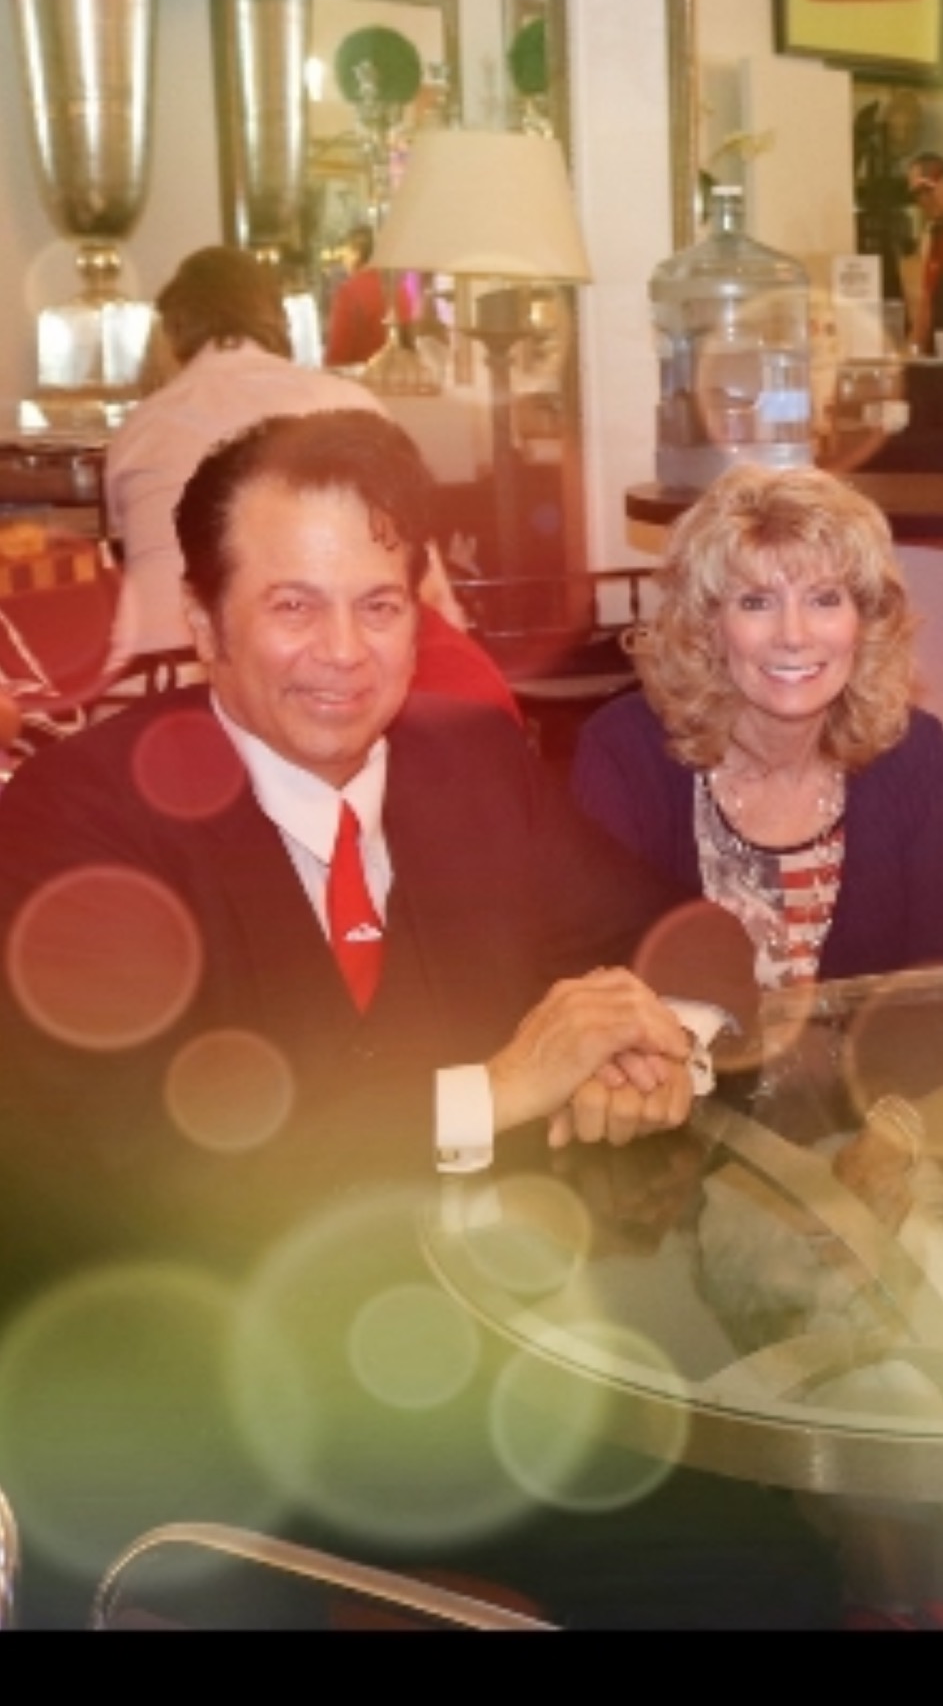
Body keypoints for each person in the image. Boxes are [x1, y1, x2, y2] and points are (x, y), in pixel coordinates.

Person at [0, 411, 841, 1630]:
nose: (343, 652)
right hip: (183, 1388)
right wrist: (497, 1088)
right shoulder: (76, 817)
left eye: (379, 605)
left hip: (450, 1363)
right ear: (203, 620)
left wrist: (658, 1038)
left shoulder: (468, 762)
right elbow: (151, 1157)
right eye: (293, 605)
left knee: (761, 1567)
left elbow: (685, 936)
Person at [101, 243, 519, 722]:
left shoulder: (140, 426)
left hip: (140, 691)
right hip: (263, 688)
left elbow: (128, 553)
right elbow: (428, 591)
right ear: (276, 318)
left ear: (173, 329)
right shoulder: (344, 401)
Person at [572, 463, 943, 993]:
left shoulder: (919, 756)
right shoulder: (625, 756)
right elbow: (604, 990)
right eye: (756, 602)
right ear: (708, 626)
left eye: (824, 599)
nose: (793, 635)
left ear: (863, 622)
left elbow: (929, 996)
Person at [323, 223, 414, 369]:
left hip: (360, 377)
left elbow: (338, 353)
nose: (343, 260)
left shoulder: (348, 292)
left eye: (346, 253)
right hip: (396, 376)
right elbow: (409, 343)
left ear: (357, 253)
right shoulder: (398, 289)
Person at [906, 151, 943, 353]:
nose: (923, 200)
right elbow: (926, 300)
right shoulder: (933, 235)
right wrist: (912, 351)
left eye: (927, 190)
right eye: (917, 194)